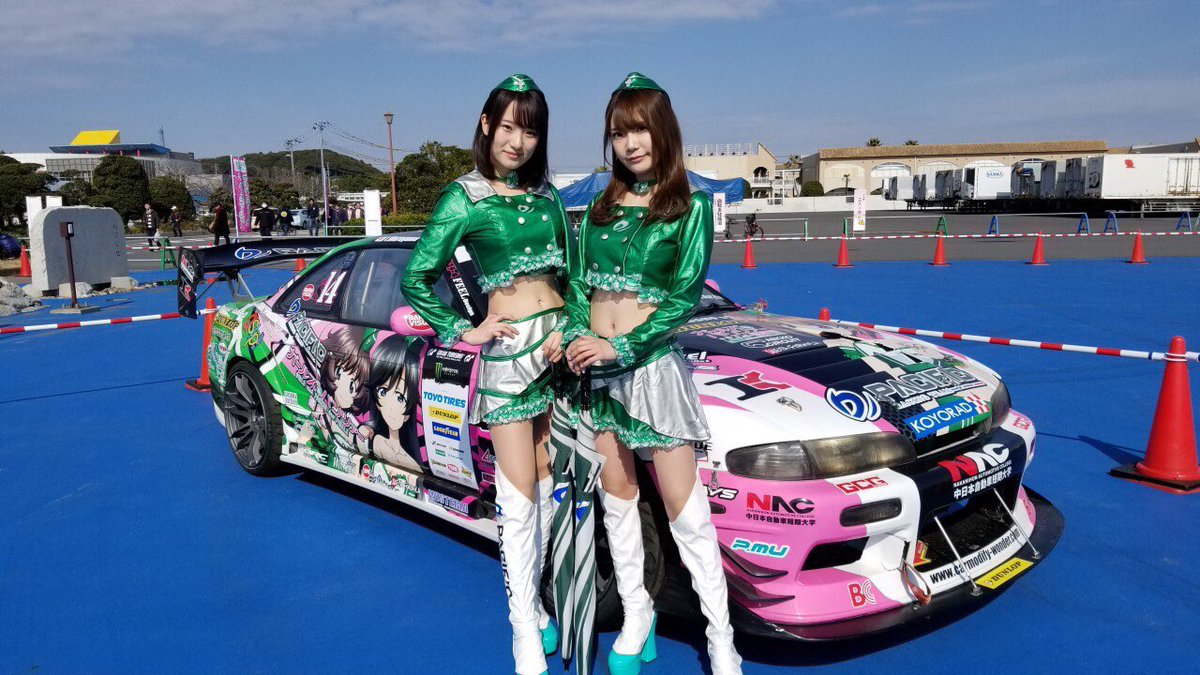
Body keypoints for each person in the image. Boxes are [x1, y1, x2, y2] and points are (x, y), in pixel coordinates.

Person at [563, 73, 742, 675]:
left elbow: (683, 297)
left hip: (651, 369)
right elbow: (579, 286)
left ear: (663, 131)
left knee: (685, 511)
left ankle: (721, 638)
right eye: (619, 133)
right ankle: (638, 614)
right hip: (598, 374)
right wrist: (579, 337)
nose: (630, 143)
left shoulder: (689, 208)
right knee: (617, 500)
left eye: (640, 129)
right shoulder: (599, 208)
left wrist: (621, 346)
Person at [402, 74, 569, 675]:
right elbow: (417, 277)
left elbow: (572, 275)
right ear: (486, 125)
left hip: (560, 351)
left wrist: (575, 327)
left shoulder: (548, 195)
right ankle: (523, 625)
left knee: (549, 484)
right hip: (509, 354)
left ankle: (540, 602)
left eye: (531, 131)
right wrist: (460, 329)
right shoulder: (464, 197)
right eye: (508, 127)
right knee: (519, 493)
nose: (518, 142)